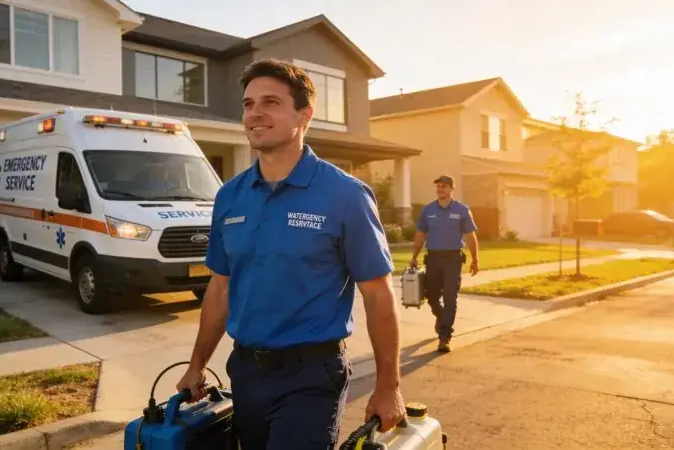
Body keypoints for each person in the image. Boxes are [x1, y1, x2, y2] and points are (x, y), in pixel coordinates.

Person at [176, 58, 406, 449]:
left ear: (305, 114)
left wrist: (389, 386)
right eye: (248, 104)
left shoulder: (345, 195)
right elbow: (220, 288)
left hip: (311, 375)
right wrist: (196, 364)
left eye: (271, 102)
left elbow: (379, 294)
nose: (255, 113)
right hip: (246, 370)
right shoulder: (229, 196)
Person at [410, 175, 479, 353]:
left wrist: (475, 259)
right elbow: (420, 235)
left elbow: (471, 236)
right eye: (438, 186)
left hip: (453, 259)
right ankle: (442, 319)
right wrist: (414, 256)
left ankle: (444, 337)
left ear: (451, 189)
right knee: (432, 297)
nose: (440, 189)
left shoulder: (462, 210)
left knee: (450, 297)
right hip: (432, 258)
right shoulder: (428, 210)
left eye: (444, 186)